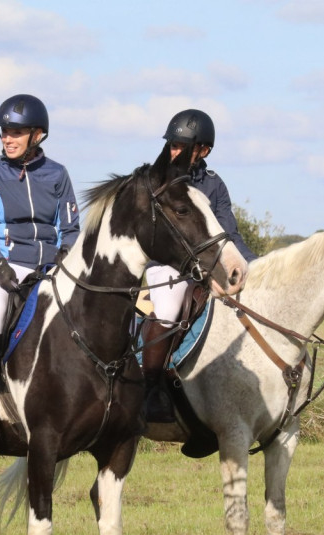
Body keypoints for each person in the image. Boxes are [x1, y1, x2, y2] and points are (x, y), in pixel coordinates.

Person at [0, 94, 81, 440]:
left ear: (38, 135)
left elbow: (71, 230)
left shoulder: (57, 174)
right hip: (3, 267)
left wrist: (64, 257)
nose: (7, 138)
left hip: (48, 270)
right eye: (4, 132)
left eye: (16, 132)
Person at [142, 108, 256, 423]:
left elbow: (230, 234)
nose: (173, 151)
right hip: (167, 267)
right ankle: (150, 391)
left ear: (202, 150)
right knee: (170, 308)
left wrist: (256, 266)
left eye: (180, 146)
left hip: (206, 268)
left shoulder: (215, 185)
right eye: (172, 145)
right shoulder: (157, 179)